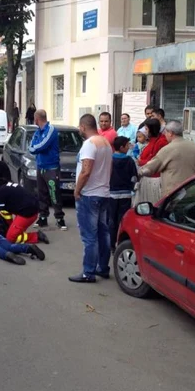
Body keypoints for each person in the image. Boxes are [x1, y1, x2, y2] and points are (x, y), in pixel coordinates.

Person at [69, 114, 112, 284]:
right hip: (104, 193)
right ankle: (103, 267)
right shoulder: (106, 143)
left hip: (89, 194)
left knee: (89, 236)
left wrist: (77, 190)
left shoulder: (89, 144)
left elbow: (86, 171)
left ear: (83, 127)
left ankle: (88, 272)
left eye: (79, 127)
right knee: (103, 233)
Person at [139, 120, 195, 198]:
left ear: (171, 133)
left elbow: (150, 168)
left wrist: (137, 172)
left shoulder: (167, 149)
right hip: (192, 192)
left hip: (174, 194)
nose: (165, 135)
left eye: (166, 133)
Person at [29, 109, 66, 230]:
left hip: (51, 167)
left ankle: (60, 219)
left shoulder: (51, 130)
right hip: (41, 167)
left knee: (54, 193)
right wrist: (35, 148)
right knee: (42, 193)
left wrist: (35, 148)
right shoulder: (37, 131)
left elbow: (41, 145)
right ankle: (43, 217)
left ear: (37, 119)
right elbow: (31, 146)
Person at [0, 178, 49, 245]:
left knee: (10, 238)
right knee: (3, 210)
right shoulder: (5, 185)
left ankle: (36, 236)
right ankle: (11, 227)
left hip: (27, 213)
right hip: (30, 207)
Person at [109, 136, 137, 250]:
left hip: (111, 194)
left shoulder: (110, 159)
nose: (128, 147)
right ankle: (120, 243)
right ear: (121, 147)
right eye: (127, 145)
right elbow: (134, 177)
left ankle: (111, 244)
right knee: (122, 220)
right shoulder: (129, 160)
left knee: (111, 219)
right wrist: (133, 188)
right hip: (126, 194)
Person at [135, 118, 168, 205]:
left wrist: (141, 162)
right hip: (147, 178)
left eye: (146, 129)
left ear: (151, 129)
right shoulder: (152, 140)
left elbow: (157, 161)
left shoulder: (161, 142)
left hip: (154, 180)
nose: (144, 131)